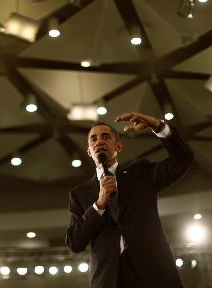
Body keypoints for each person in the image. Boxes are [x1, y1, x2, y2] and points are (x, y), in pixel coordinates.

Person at [65, 112, 194, 288]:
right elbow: (75, 243)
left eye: (105, 137)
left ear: (118, 146)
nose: (99, 142)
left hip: (154, 275)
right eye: (93, 139)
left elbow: (183, 160)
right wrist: (98, 206)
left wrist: (158, 125)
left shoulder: (141, 173)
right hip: (109, 279)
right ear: (89, 151)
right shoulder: (80, 194)